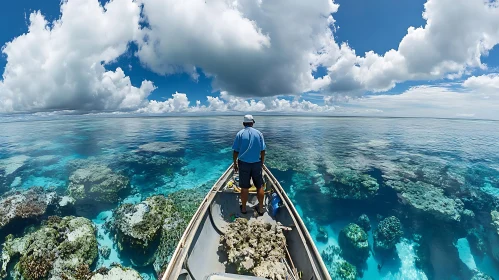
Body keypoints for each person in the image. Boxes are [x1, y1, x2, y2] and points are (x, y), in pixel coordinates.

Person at [232, 114, 266, 216]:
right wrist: (262, 163)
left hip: (244, 164)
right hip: (256, 164)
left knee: (244, 187)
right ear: (252, 123)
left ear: (243, 124)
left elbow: (235, 151)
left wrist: (235, 163)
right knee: (259, 186)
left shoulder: (240, 134)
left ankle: (243, 209)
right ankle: (260, 208)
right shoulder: (259, 133)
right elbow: (263, 150)